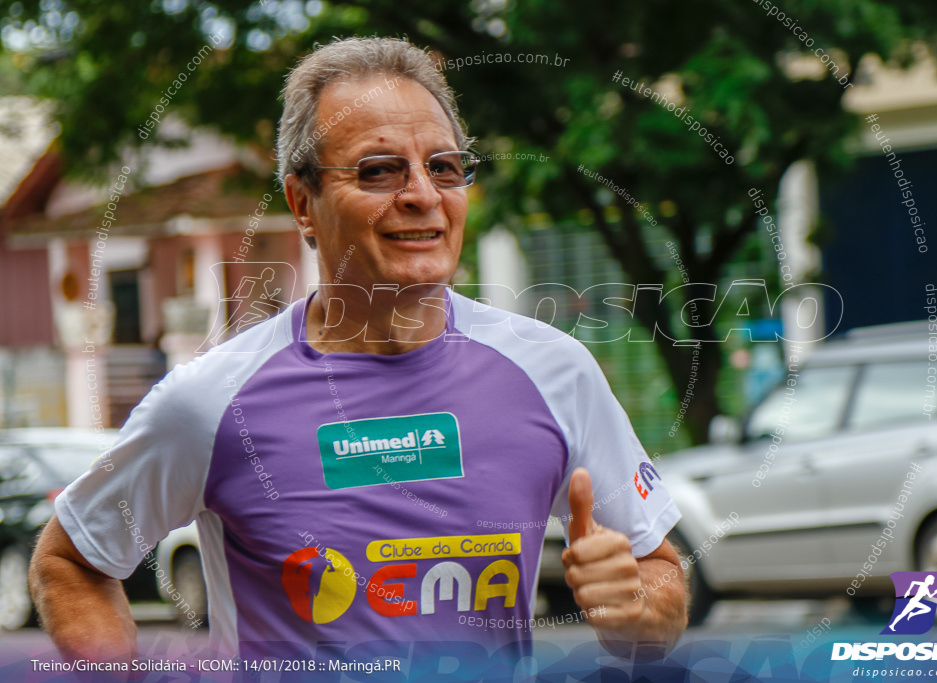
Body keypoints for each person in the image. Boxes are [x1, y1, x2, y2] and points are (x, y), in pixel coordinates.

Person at [29, 36, 687, 667]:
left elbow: (661, 574)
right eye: (379, 170)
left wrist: (636, 605)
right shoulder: (210, 401)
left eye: (444, 166)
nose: (422, 195)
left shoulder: (555, 372)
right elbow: (70, 561)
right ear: (302, 203)